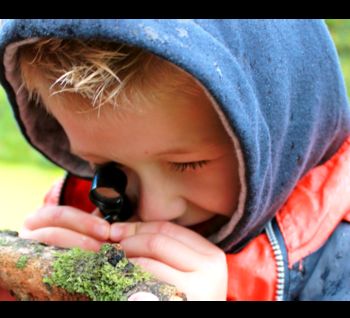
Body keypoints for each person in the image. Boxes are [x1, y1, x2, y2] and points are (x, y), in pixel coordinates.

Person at [1, 19, 350, 301]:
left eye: (187, 164)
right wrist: (29, 283)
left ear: (285, 125)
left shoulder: (340, 265)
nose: (154, 210)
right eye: (109, 168)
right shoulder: (78, 209)